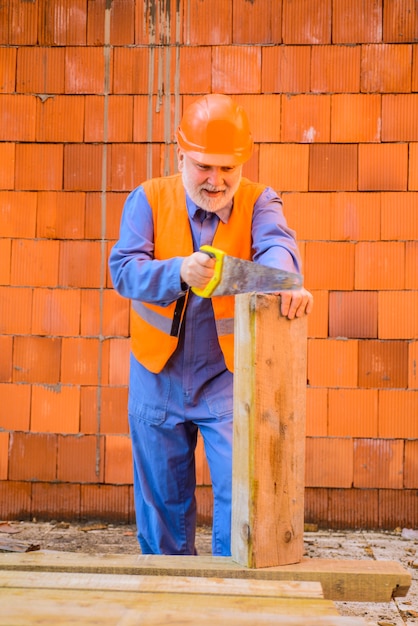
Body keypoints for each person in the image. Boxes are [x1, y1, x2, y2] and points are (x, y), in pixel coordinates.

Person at [109, 93, 313, 557]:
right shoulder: (147, 198)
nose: (216, 180)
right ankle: (169, 600)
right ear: (181, 155)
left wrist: (284, 282)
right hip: (156, 373)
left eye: (228, 168)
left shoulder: (262, 201)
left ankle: (224, 595)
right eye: (203, 166)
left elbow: (278, 246)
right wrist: (177, 271)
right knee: (162, 502)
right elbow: (123, 270)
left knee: (239, 495)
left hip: (226, 378)